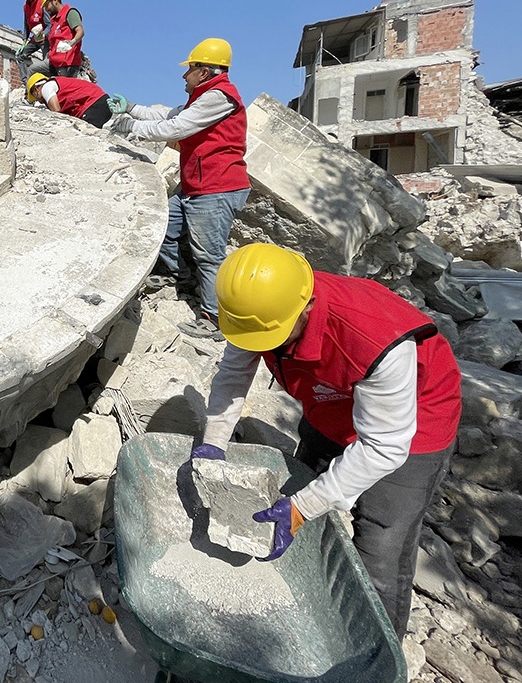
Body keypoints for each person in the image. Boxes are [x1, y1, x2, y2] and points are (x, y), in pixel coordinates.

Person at [192, 242, 461, 639]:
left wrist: (304, 506)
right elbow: (234, 373)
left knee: (380, 544)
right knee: (304, 495)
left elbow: (385, 445)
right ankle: (308, 600)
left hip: (414, 423)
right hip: (331, 401)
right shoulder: (261, 307)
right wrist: (214, 441)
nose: (261, 345)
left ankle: (373, 652)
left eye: (270, 336)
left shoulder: (372, 338)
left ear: (307, 306)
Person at [107, 38, 249, 339]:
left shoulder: (219, 97)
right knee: (164, 227)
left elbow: (175, 129)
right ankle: (180, 278)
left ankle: (214, 319)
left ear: (205, 71)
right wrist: (132, 109)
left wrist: (131, 127)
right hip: (196, 187)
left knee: (209, 256)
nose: (184, 75)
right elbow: (168, 116)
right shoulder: (204, 96)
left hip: (216, 188)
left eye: (190, 69)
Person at [28, 0, 84, 79]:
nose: (46, 9)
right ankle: (29, 93)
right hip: (54, 62)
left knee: (62, 91)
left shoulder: (70, 13)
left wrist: (72, 42)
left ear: (55, 0)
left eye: (47, 5)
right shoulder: (54, 21)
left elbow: (80, 31)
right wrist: (38, 36)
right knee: (32, 70)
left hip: (67, 64)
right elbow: (51, 39)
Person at [25, 72, 111, 128]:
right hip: (99, 102)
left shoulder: (46, 87)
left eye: (34, 96)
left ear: (36, 90)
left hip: (94, 103)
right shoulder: (55, 85)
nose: (38, 100)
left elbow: (56, 111)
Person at [15, 0, 50, 82]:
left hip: (44, 39)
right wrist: (24, 40)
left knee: (46, 62)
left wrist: (44, 34)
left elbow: (50, 25)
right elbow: (26, 24)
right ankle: (26, 82)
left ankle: (46, 82)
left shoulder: (42, 3)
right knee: (19, 56)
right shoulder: (26, 7)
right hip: (34, 39)